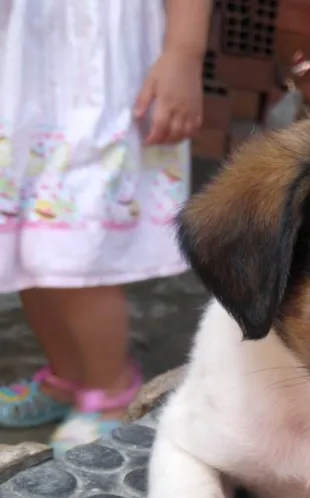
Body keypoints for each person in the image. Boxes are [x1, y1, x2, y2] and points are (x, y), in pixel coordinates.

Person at [0, 0, 211, 452]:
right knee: (27, 251)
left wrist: (183, 53)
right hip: (23, 65)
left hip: (97, 74)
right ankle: (68, 377)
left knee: (74, 252)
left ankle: (112, 388)